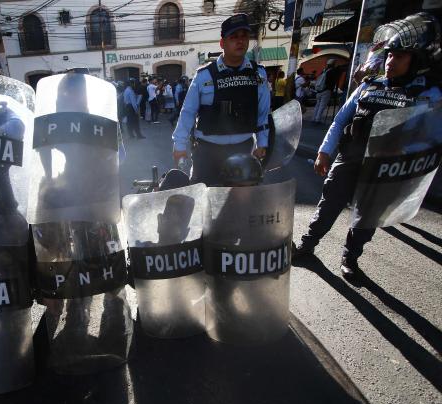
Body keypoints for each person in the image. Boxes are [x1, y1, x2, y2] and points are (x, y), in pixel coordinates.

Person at [293, 12, 442, 280]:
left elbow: (431, 136)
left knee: (368, 216)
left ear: (416, 61)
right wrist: (324, 151)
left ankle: (350, 257)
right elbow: (340, 120)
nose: (390, 62)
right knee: (328, 205)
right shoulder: (368, 87)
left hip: (383, 166)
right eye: (389, 55)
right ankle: (307, 244)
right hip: (349, 157)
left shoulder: (426, 95)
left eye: (399, 56)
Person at [172, 13, 270, 186]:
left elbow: (262, 113)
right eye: (233, 37)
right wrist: (179, 146)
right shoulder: (204, 76)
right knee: (204, 203)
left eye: (244, 36)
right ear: (222, 43)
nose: (240, 41)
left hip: (243, 150)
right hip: (207, 152)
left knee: (240, 206)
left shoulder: (258, 74)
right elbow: (187, 112)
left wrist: (262, 142)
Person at [312, 59, 339, 123]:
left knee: (317, 105)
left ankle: (314, 118)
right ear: (333, 64)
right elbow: (331, 83)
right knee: (322, 106)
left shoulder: (323, 71)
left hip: (319, 91)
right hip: (326, 91)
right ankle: (318, 119)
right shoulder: (331, 72)